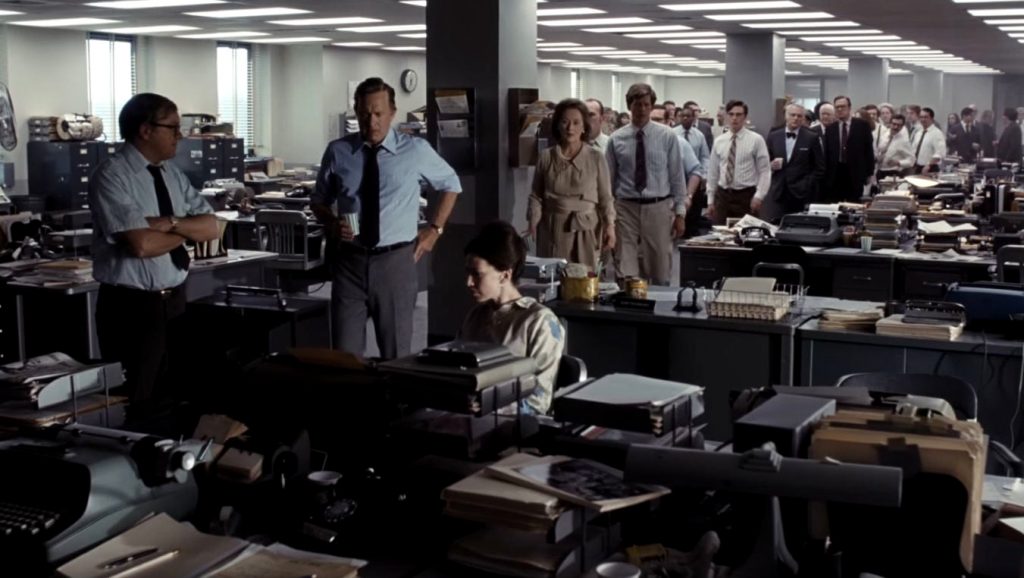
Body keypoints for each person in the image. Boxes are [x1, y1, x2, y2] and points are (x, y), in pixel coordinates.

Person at [89, 92, 218, 419]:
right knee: (139, 401)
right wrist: (186, 230)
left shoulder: (171, 174)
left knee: (177, 396)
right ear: (146, 130)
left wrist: (171, 223)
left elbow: (212, 227)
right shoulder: (113, 175)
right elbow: (142, 245)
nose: (180, 135)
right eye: (172, 127)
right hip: (133, 307)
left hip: (175, 300)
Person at [312, 77, 461, 359]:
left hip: (395, 263)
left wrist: (434, 230)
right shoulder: (338, 151)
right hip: (350, 264)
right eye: (364, 114)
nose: (372, 122)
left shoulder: (414, 151)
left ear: (392, 112)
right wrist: (331, 222)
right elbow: (319, 200)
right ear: (356, 113)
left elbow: (451, 184)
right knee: (344, 356)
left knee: (396, 355)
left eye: (378, 114)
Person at [460, 221, 564, 415]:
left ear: (504, 275)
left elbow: (539, 400)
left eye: (477, 274)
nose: (469, 282)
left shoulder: (539, 322)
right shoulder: (476, 316)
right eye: (468, 273)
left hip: (511, 425)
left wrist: (489, 405)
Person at [606, 83, 689, 286]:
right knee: (625, 266)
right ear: (629, 106)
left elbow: (677, 177)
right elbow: (608, 181)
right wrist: (608, 217)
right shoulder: (616, 139)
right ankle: (626, 302)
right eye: (637, 104)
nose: (642, 109)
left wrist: (680, 213)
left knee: (660, 268)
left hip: (658, 207)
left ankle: (659, 304)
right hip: (626, 208)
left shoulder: (667, 136)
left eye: (646, 104)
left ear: (651, 107)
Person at [528, 98, 616, 272]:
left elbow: (606, 197)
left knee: (584, 278)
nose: (570, 128)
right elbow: (536, 195)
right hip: (553, 228)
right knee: (554, 277)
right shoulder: (546, 157)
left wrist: (610, 226)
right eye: (565, 122)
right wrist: (532, 222)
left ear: (584, 126)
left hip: (587, 229)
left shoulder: (596, 157)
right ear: (557, 125)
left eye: (576, 123)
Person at [706, 100, 771, 224]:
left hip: (746, 196)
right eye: (731, 114)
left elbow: (765, 171)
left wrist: (759, 196)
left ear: (745, 117)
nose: (734, 118)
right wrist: (710, 200)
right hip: (723, 196)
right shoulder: (719, 141)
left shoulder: (756, 140)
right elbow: (713, 172)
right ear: (726, 116)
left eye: (738, 114)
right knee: (720, 232)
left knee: (746, 232)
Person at [762, 103, 825, 223]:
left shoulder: (812, 137)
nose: (796, 118)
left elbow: (819, 168)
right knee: (776, 225)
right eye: (792, 115)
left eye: (799, 116)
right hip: (779, 192)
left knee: (799, 226)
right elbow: (764, 163)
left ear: (803, 118)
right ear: (786, 116)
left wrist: (807, 184)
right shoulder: (773, 136)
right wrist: (771, 165)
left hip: (802, 193)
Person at [823, 95, 874, 203]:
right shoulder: (830, 128)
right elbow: (827, 153)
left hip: (855, 173)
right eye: (837, 107)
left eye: (843, 106)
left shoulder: (862, 126)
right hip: (835, 174)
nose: (840, 109)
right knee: (835, 205)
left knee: (854, 205)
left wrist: (869, 173)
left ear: (849, 108)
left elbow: (868, 151)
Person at [876, 114, 916, 179]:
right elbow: (880, 149)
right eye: (894, 124)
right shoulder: (884, 135)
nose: (896, 127)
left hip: (893, 173)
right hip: (880, 171)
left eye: (899, 125)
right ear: (890, 124)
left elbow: (912, 160)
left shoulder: (904, 141)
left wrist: (898, 163)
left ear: (902, 126)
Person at [910, 107, 946, 174]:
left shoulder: (937, 133)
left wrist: (928, 165)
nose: (923, 119)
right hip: (917, 167)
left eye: (926, 117)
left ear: (932, 119)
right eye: (921, 117)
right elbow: (913, 150)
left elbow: (940, 153)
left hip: (930, 168)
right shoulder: (918, 133)